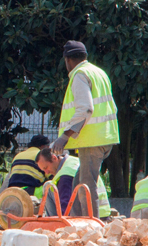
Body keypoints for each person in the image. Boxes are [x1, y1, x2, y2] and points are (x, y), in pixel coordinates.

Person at [51, 40, 119, 218]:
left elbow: (86, 109)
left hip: (92, 140)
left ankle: (91, 225)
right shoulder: (98, 73)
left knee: (87, 186)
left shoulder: (79, 75)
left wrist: (65, 136)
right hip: (105, 137)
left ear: (67, 60)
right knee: (78, 184)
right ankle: (76, 222)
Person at [35, 147, 110, 218]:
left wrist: (63, 222)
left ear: (54, 158)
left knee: (48, 186)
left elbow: (65, 205)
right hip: (102, 213)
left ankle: (55, 222)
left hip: (87, 217)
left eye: (46, 168)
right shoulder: (73, 161)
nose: (47, 172)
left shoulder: (65, 175)